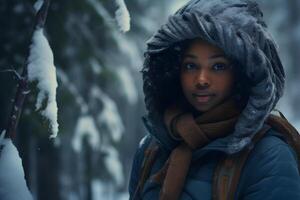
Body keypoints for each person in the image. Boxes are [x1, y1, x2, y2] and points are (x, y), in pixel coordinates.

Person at [129, 0, 300, 199]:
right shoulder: (152, 150)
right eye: (191, 66)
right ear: (176, 71)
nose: (201, 80)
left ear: (241, 73)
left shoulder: (268, 157)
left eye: (218, 66)